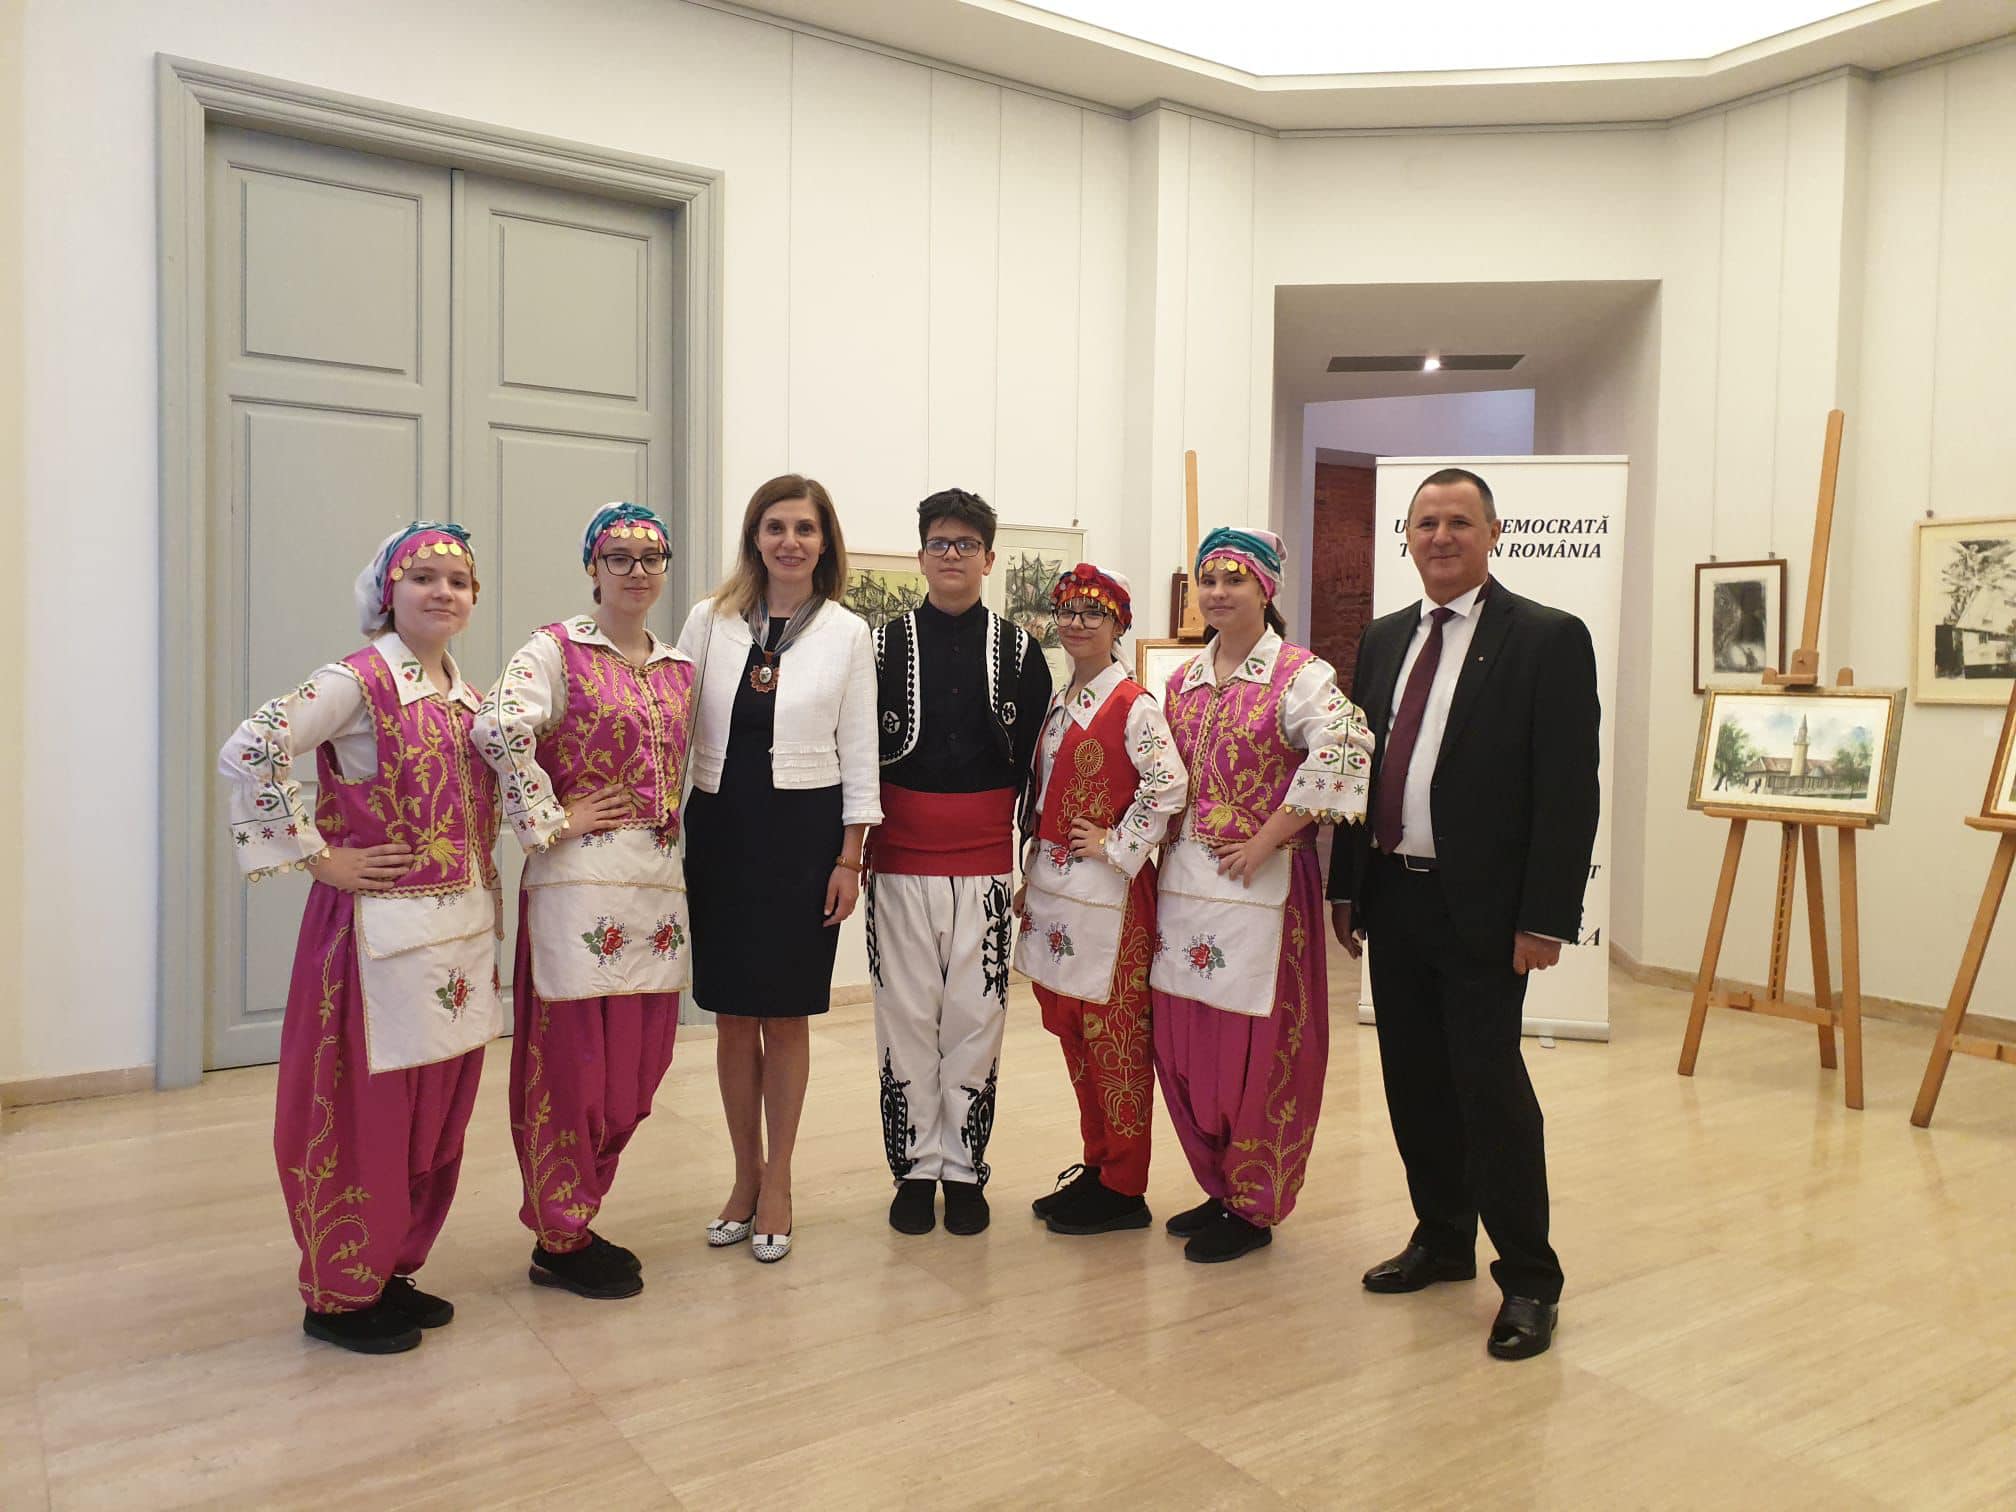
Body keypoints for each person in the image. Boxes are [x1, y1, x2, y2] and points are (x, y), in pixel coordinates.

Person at [1327, 466, 1599, 1361]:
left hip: (1483, 909)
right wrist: (1347, 886)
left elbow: (1568, 791)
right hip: (1395, 893)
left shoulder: (1548, 638)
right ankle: (1443, 1239)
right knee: (1413, 1081)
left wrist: (1545, 915)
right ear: (1406, 537)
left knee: (1490, 1092)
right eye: (1426, 523)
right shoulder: (1383, 638)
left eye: (1459, 522)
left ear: (1493, 534)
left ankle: (1529, 1279)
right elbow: (1357, 769)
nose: (1440, 537)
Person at [218, 522, 505, 1355]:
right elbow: (251, 749)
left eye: (458, 580)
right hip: (372, 939)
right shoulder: (356, 681)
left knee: (433, 1113)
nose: (443, 591)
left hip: (454, 940)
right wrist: (320, 856)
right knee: (362, 1114)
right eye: (423, 577)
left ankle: (390, 1268)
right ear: (387, 592)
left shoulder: (467, 697)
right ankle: (341, 1290)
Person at [473, 503, 695, 1300]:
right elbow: (497, 726)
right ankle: (560, 1232)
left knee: (639, 1068)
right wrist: (550, 818)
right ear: (592, 568)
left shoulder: (678, 668)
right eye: (618, 557)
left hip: (656, 892)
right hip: (577, 889)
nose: (637, 571)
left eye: (650, 557)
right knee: (575, 1069)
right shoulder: (556, 649)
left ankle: (580, 1209)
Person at [1149, 527, 1374, 1264]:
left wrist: (1268, 836)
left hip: (1265, 891)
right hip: (1186, 890)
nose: (1217, 592)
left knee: (1259, 1046)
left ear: (1265, 589)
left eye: (1235, 579)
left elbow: (1347, 747)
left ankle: (1254, 1203)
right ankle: (1218, 1184)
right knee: (1190, 1040)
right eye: (1208, 578)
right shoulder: (1183, 680)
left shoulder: (1298, 675)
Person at [678, 475, 880, 1265]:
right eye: (775, 527)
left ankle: (781, 1182)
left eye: (804, 528)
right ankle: (744, 1176)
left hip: (804, 834)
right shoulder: (710, 620)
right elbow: (674, 726)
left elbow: (860, 752)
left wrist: (850, 857)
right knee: (733, 1016)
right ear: (754, 538)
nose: (789, 541)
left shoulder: (847, 633)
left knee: (787, 1015)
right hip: (722, 827)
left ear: (825, 542)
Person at [870, 487, 1051, 1237]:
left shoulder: (1022, 651)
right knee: (905, 1018)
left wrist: (1034, 865)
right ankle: (914, 1171)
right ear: (920, 556)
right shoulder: (878, 646)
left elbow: (1039, 766)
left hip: (985, 864)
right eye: (939, 543)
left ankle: (965, 1170)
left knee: (978, 1018)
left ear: (989, 558)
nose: (952, 555)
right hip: (897, 862)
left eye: (965, 545)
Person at [1014, 564, 1187, 1235]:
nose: (1078, 624)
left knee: (1115, 1042)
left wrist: (1119, 843)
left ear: (1118, 626)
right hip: (1061, 894)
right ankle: (1098, 1164)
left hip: (1111, 898)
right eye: (1068, 611)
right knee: (1077, 1038)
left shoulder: (1133, 705)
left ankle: (1125, 1187)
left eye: (1094, 613)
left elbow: (1168, 784)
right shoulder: (1061, 703)